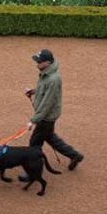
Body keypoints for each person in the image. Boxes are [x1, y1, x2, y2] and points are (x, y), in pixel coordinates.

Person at [21, 48, 83, 180]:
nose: (36, 63)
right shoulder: (46, 73)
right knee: (51, 138)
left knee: (34, 143)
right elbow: (44, 89)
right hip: (47, 116)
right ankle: (74, 155)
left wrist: (33, 120)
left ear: (47, 62)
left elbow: (47, 104)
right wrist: (33, 91)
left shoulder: (53, 79)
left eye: (39, 61)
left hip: (46, 117)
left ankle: (32, 172)